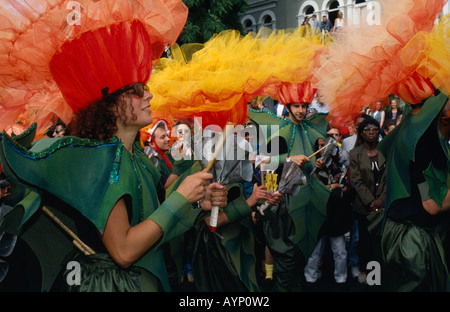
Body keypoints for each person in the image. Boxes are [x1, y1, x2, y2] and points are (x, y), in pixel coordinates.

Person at [0, 0, 229, 292]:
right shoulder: (102, 160)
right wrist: (180, 197)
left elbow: (153, 226)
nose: (148, 96)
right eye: (136, 91)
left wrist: (197, 202)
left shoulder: (136, 159)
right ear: (110, 106)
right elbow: (123, 251)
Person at [248, 82, 329, 291]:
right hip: (282, 205)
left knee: (299, 258)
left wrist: (316, 165)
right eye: (296, 106)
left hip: (306, 202)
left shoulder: (311, 131)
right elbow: (265, 163)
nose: (301, 110)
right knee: (286, 259)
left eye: (304, 106)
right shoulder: (278, 131)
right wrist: (288, 159)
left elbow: (309, 168)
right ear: (288, 107)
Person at [378, 93, 450, 291]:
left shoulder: (415, 129)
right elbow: (433, 204)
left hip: (413, 233)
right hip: (412, 241)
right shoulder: (422, 142)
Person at [304, 136, 353, 286]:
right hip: (317, 213)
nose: (323, 149)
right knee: (315, 250)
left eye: (326, 146)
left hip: (336, 214)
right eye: (319, 146)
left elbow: (344, 188)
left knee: (340, 251)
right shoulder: (311, 167)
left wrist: (330, 188)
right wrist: (329, 185)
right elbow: (308, 188)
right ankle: (310, 276)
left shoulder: (341, 165)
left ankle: (341, 278)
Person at [348, 116, 386, 284]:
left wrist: (382, 200)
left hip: (384, 206)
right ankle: (365, 273)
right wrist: (371, 202)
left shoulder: (386, 151)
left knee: (379, 243)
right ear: (361, 134)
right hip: (364, 207)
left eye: (374, 130)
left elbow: (389, 178)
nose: (371, 133)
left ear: (379, 132)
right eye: (367, 130)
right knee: (364, 242)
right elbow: (357, 181)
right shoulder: (355, 154)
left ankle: (375, 278)